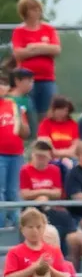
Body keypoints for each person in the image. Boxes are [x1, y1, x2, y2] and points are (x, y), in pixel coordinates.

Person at [19, 140, 82, 260]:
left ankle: (72, 272)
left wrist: (41, 195)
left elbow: (57, 193)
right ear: (33, 155)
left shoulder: (54, 170)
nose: (40, 160)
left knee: (76, 237)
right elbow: (25, 194)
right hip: (33, 211)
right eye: (38, 156)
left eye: (43, 157)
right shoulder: (25, 170)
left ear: (49, 157)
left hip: (53, 209)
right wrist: (45, 194)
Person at [10, 0, 60, 124]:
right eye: (33, 9)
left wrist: (34, 47)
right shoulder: (19, 31)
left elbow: (56, 50)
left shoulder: (49, 29)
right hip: (25, 80)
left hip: (47, 79)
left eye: (38, 8)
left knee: (47, 113)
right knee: (28, 113)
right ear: (25, 12)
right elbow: (18, 54)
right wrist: (44, 49)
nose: (37, 11)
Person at [0, 82, 28, 228]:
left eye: (3, 84)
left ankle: (17, 225)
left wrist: (21, 120)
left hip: (16, 154)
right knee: (0, 191)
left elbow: (26, 133)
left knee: (13, 191)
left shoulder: (13, 105)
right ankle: (2, 226)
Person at [37, 95, 77, 161]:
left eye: (66, 111)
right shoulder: (45, 124)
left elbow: (74, 149)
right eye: (60, 110)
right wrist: (55, 153)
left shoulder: (73, 125)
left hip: (70, 159)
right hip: (50, 160)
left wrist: (56, 152)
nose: (63, 113)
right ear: (53, 110)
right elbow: (44, 145)